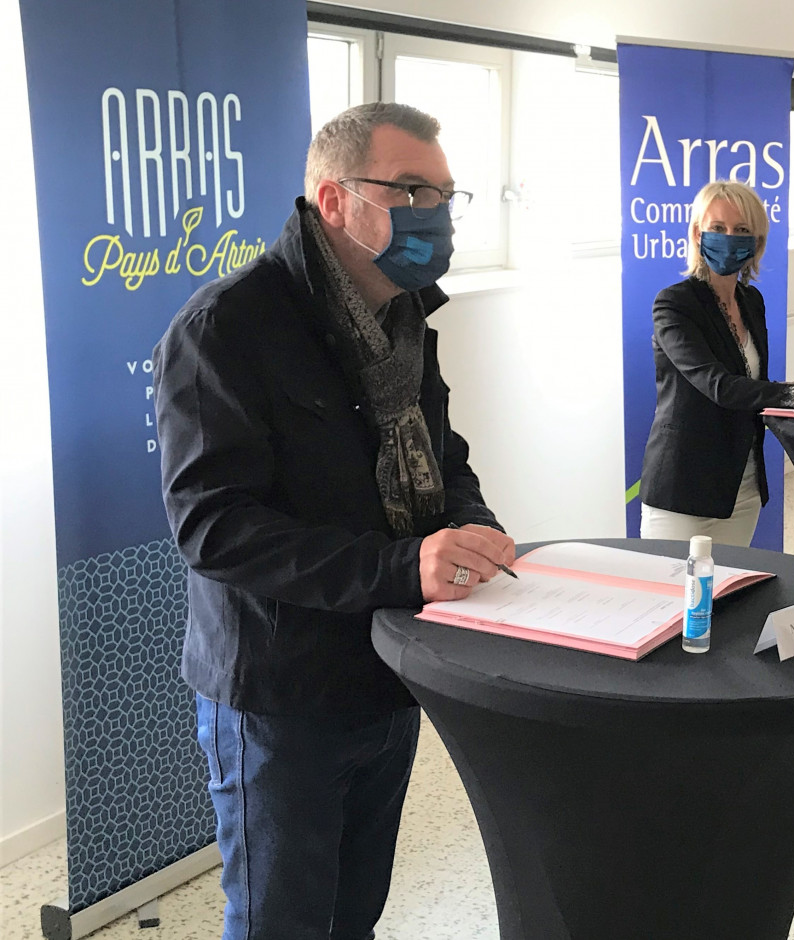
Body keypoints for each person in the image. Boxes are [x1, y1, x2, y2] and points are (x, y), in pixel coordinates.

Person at [153, 102, 515, 940]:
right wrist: (403, 567)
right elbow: (213, 527)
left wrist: (475, 528)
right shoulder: (225, 330)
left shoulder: (404, 317)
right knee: (282, 922)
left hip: (388, 671)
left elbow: (441, 454)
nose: (437, 215)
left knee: (355, 914)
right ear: (334, 201)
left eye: (448, 196)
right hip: (280, 700)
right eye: (413, 189)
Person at [638, 180, 794, 546]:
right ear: (697, 234)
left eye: (742, 230)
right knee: (673, 601)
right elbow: (720, 386)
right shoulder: (674, 305)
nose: (730, 238)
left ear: (756, 242)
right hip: (682, 490)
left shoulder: (751, 301)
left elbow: (755, 384)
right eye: (718, 228)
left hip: (741, 490)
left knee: (730, 597)